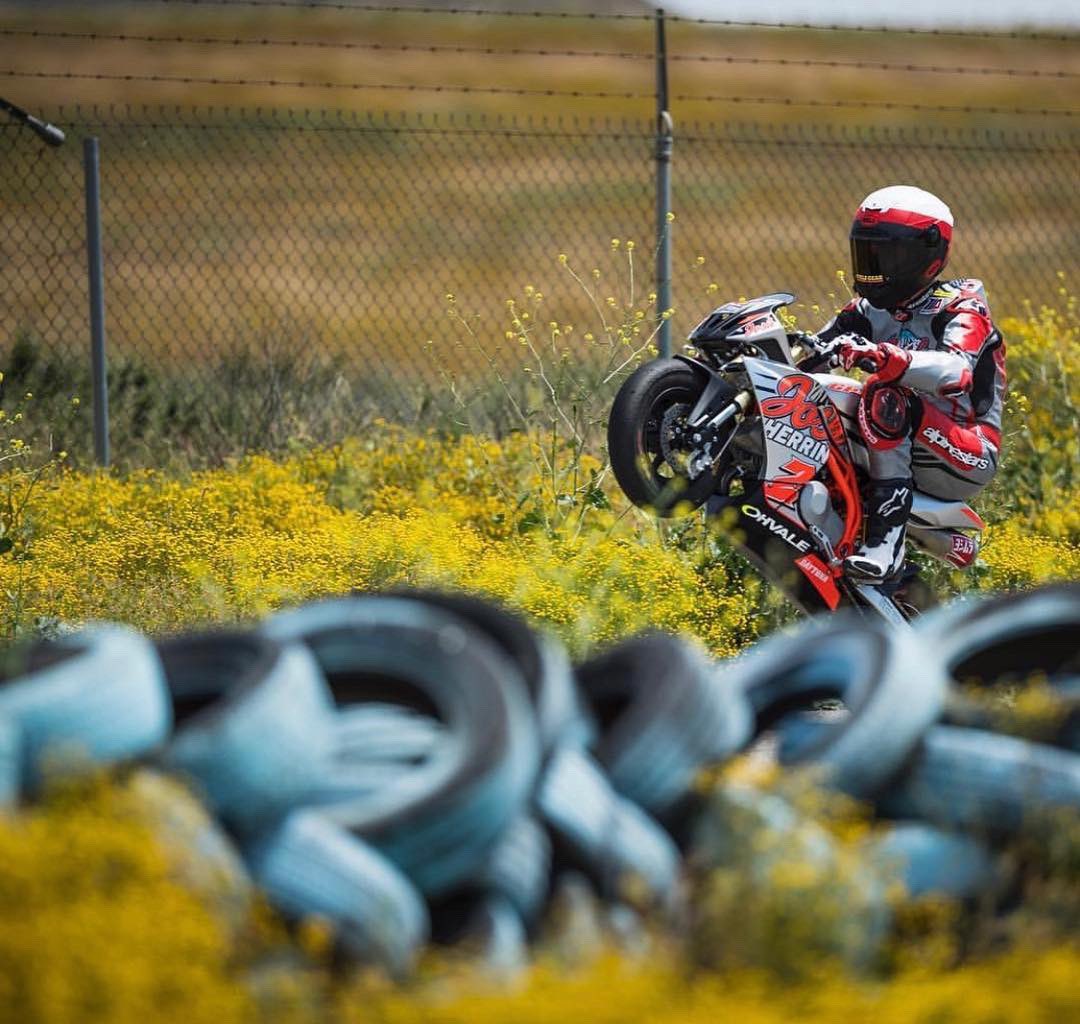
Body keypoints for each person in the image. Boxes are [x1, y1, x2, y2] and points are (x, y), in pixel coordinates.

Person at [812, 184, 1007, 583]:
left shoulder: (963, 307)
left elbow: (957, 372)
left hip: (966, 452)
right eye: (866, 252)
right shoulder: (868, 310)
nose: (873, 265)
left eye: (887, 254)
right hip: (903, 443)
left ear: (928, 255)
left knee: (884, 395)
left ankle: (887, 541)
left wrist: (886, 359)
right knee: (819, 394)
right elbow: (809, 356)